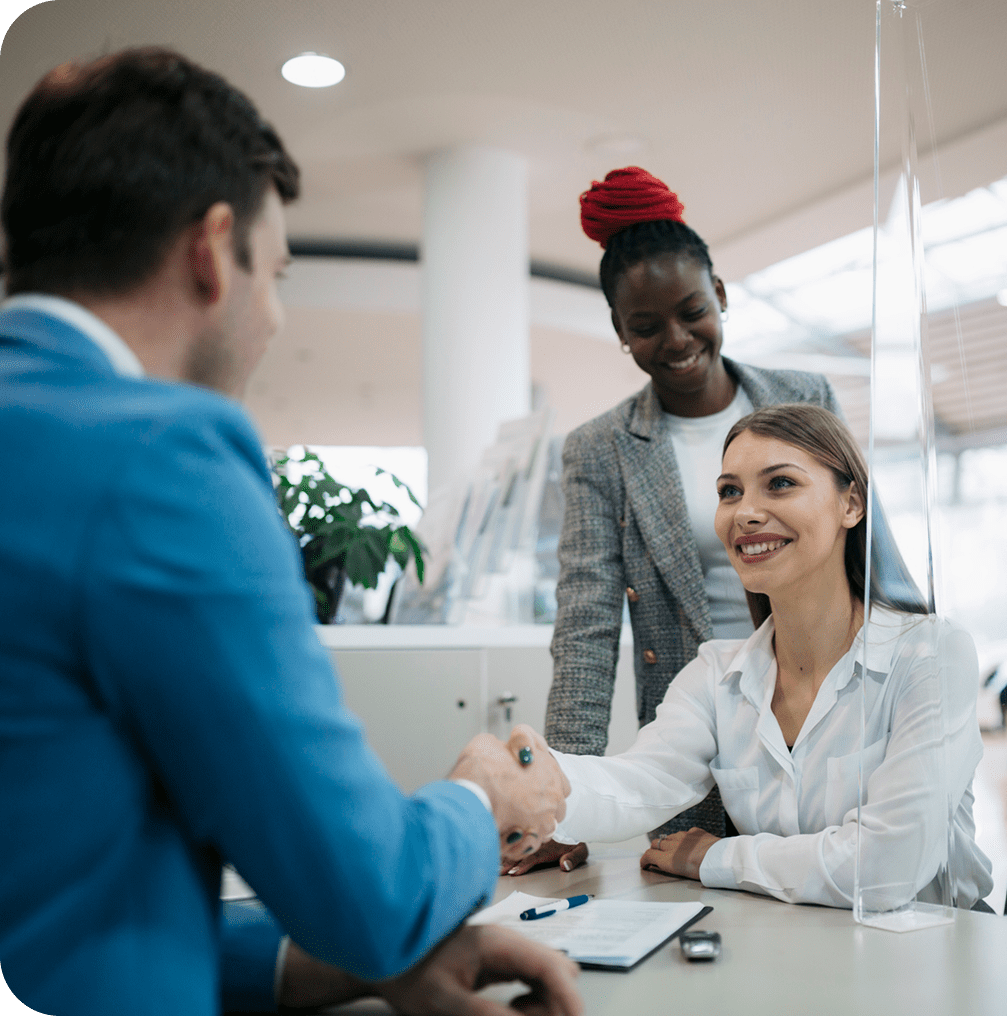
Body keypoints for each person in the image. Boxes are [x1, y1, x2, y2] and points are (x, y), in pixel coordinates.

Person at [0, 48, 580, 1016]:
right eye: (273, 271)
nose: (273, 315)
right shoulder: (159, 457)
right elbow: (369, 892)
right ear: (210, 248)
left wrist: (324, 966)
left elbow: (46, 916)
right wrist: (480, 797)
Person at [545, 403, 994, 910]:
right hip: (797, 951)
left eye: (779, 484)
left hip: (931, 956)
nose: (745, 512)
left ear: (852, 504)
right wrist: (528, 782)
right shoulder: (716, 674)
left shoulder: (931, 655)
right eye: (729, 491)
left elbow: (886, 869)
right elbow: (635, 785)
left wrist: (715, 859)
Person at [520, 167, 840, 874]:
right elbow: (587, 628)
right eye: (645, 326)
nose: (676, 338)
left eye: (692, 310)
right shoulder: (600, 449)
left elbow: (861, 544)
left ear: (720, 295)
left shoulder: (804, 397)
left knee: (831, 884)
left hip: (820, 707)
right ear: (620, 333)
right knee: (703, 913)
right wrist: (557, 802)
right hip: (692, 730)